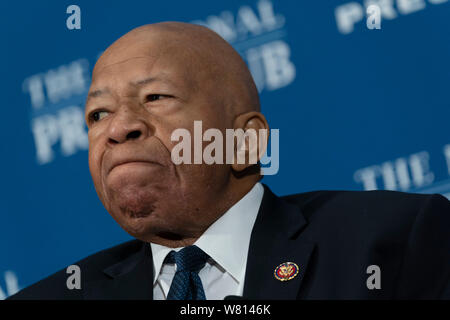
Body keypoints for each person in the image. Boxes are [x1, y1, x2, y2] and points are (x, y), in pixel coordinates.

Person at [9, 22, 450, 300]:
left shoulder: (395, 241)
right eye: (97, 113)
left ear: (244, 140)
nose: (118, 127)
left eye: (155, 97)